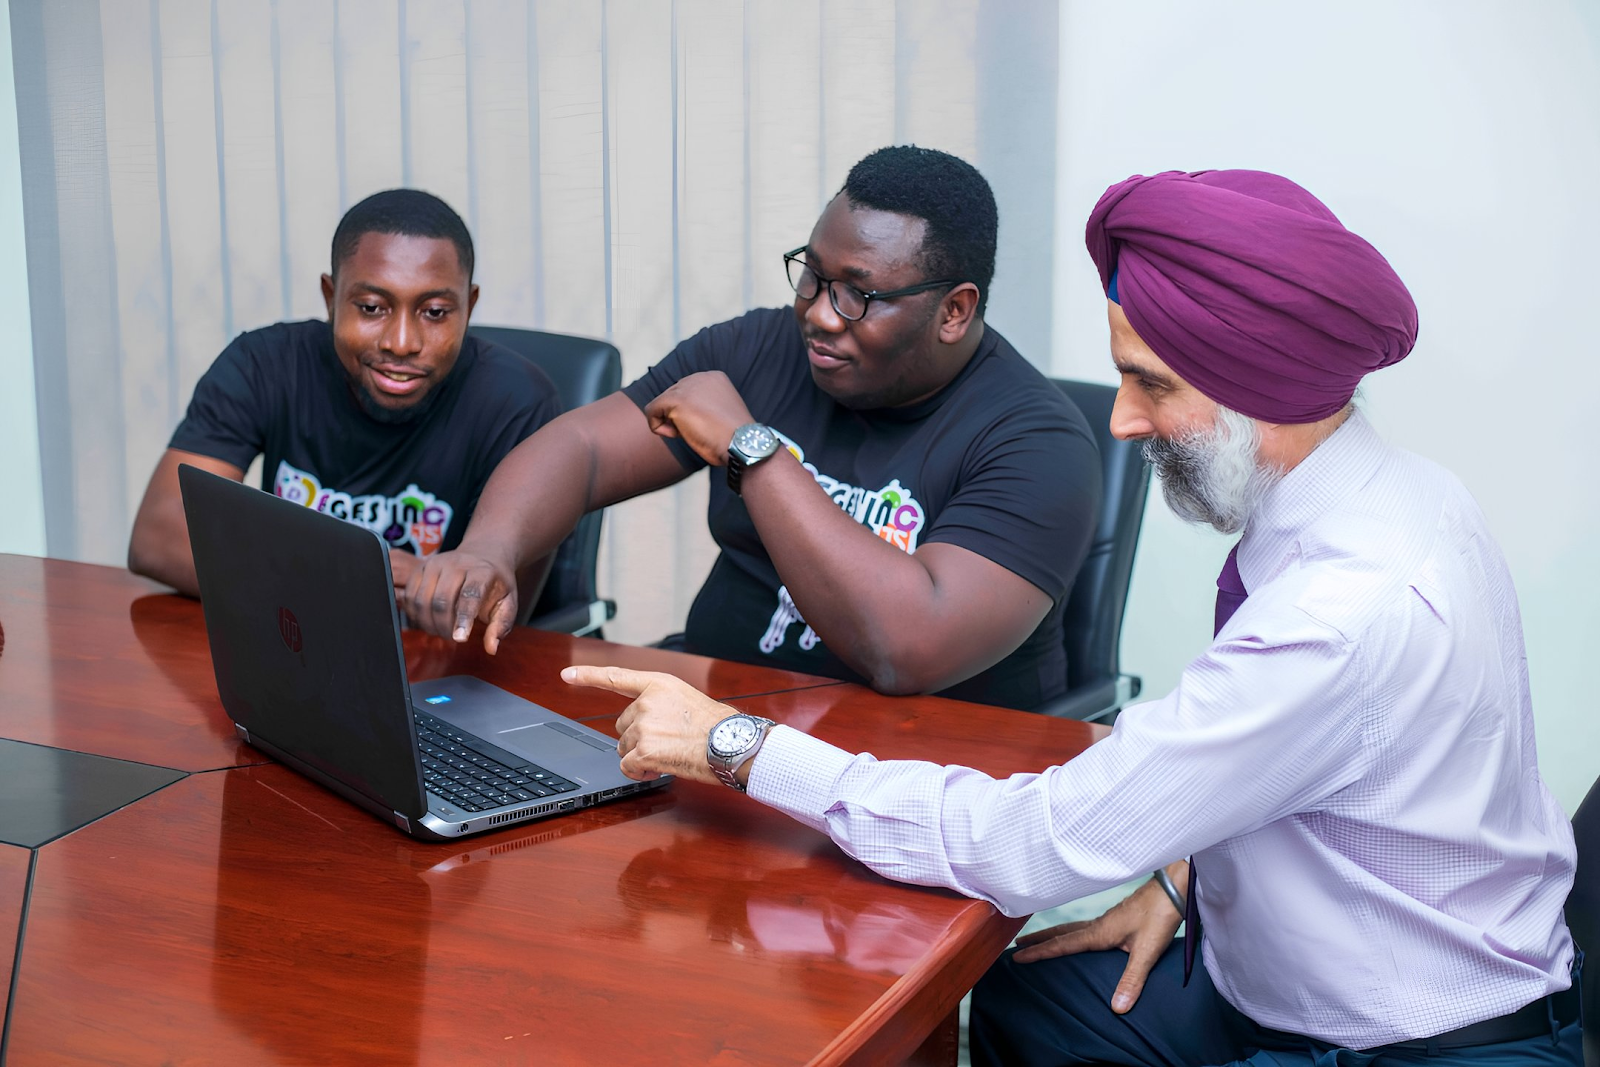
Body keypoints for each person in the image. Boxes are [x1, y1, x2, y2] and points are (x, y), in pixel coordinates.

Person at [560, 169, 1583, 1064]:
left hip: (1400, 1041)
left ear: (1260, 388)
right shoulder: (1406, 493)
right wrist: (1184, 876)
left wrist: (738, 745)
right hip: (1272, 971)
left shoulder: (1339, 611)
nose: (1122, 419)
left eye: (1150, 384)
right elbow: (1335, 760)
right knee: (1030, 1003)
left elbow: (1034, 843)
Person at [406, 146, 1100, 710]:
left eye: (858, 295)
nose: (819, 314)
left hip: (924, 774)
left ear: (954, 311)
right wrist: (489, 549)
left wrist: (751, 449)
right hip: (716, 720)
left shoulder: (1038, 445)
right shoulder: (759, 351)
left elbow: (906, 650)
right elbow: (582, 448)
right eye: (812, 276)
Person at [128, 189, 561, 607]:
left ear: (469, 306)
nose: (402, 343)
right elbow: (160, 536)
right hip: (298, 639)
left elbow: (494, 610)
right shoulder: (265, 364)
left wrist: (281, 569)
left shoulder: (517, 402)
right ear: (331, 298)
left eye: (434, 313)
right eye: (372, 307)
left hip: (433, 655)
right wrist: (359, 576)